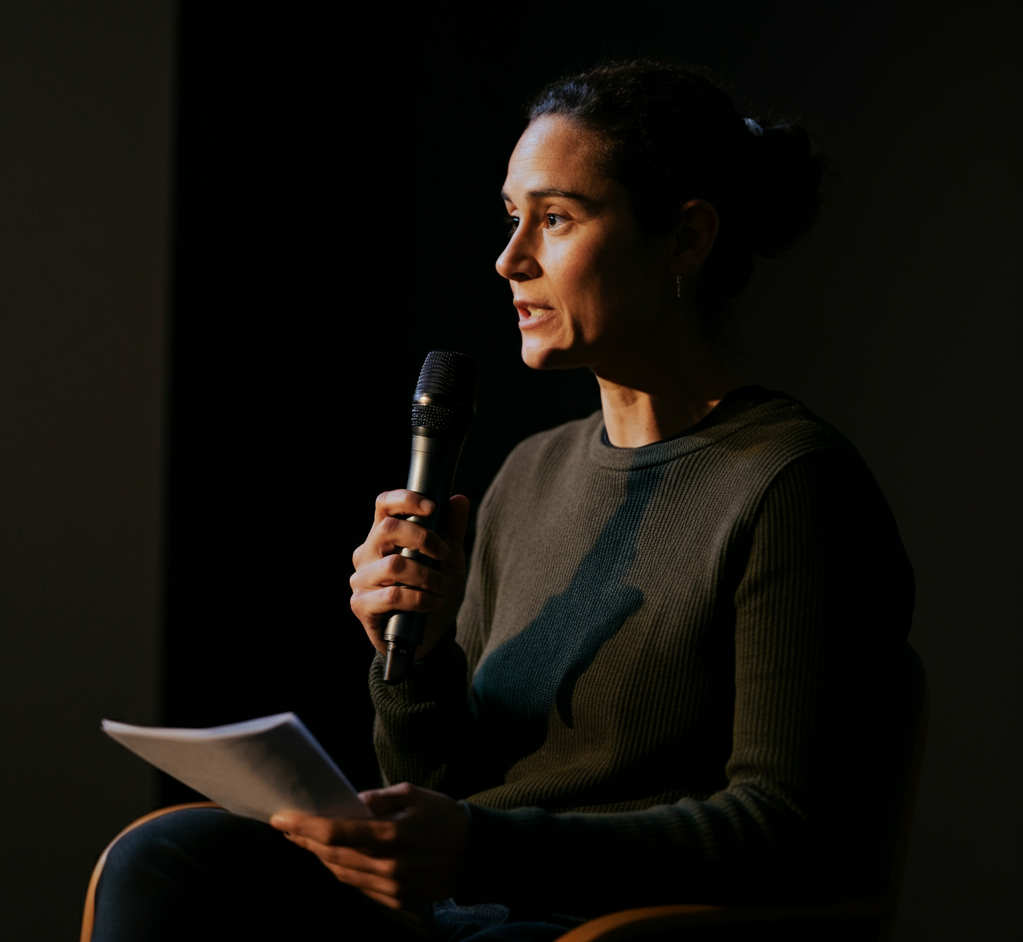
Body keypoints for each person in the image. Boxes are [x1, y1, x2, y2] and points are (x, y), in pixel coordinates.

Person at [91, 61, 914, 941]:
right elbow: (447, 786)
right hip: (464, 912)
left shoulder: (791, 484)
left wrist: (482, 847)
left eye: (555, 219)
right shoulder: (531, 472)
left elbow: (789, 830)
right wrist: (414, 654)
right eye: (511, 217)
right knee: (171, 856)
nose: (509, 259)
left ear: (685, 238)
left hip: (597, 928)